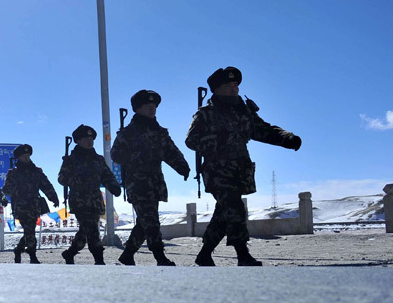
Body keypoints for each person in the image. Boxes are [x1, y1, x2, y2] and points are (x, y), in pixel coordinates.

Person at [185, 66, 302, 266]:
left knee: (223, 214)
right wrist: (218, 140)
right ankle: (242, 255)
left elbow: (263, 130)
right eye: (228, 86)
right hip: (217, 170)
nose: (234, 89)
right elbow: (191, 140)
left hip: (240, 169)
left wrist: (286, 138)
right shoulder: (206, 114)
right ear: (216, 89)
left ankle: (204, 254)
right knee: (235, 208)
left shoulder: (244, 112)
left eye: (235, 85)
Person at [111, 90, 191, 266]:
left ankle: (127, 255)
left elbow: (171, 151)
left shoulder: (159, 132)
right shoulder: (128, 133)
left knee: (145, 221)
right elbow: (115, 154)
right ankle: (159, 256)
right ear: (137, 108)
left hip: (155, 183)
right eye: (147, 105)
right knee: (151, 220)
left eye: (154, 105)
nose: (152, 108)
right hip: (137, 183)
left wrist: (181, 166)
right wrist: (135, 156)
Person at [58, 125, 121, 265]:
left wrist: (114, 186)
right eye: (86, 138)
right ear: (78, 141)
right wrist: (74, 179)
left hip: (95, 200)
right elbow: (61, 179)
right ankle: (99, 259)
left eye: (91, 138)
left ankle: (70, 253)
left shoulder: (98, 159)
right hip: (79, 200)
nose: (90, 141)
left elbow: (107, 175)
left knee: (85, 233)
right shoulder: (71, 160)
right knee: (92, 230)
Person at [2, 144, 59, 264]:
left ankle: (19, 249)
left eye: (28, 155)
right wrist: (19, 192)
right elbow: (6, 189)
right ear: (18, 158)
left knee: (30, 230)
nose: (26, 158)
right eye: (24, 156)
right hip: (21, 206)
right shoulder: (13, 173)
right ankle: (32, 255)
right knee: (29, 230)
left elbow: (46, 185)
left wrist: (53, 197)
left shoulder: (36, 171)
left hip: (34, 206)